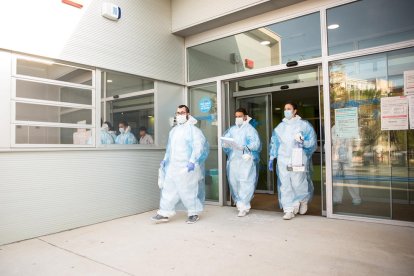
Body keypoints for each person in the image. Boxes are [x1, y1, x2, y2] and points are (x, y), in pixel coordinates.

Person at [151, 105, 209, 224]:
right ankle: (164, 212)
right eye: (178, 113)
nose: (179, 115)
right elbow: (169, 149)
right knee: (169, 188)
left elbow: (198, 147)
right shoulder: (174, 131)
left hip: (187, 167)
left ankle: (193, 213)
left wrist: (192, 161)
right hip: (173, 166)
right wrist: (165, 160)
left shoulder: (194, 130)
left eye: (182, 113)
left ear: (188, 114)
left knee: (188, 190)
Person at [269, 102, 317, 220]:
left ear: (295, 111)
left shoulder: (304, 125)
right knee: (285, 184)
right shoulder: (280, 127)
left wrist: (302, 142)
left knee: (298, 182)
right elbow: (274, 142)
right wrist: (272, 156)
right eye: (285, 109)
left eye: (289, 109)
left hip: (297, 157)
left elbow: (312, 143)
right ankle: (288, 209)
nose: (286, 111)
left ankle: (302, 200)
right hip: (283, 158)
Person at [222, 108, 261, 217]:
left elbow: (256, 144)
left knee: (245, 182)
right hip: (234, 160)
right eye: (236, 116)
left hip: (246, 160)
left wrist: (244, 147)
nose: (238, 118)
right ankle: (239, 202)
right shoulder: (232, 130)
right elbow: (227, 141)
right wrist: (225, 143)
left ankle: (244, 205)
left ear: (245, 117)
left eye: (240, 116)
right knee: (234, 182)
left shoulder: (250, 129)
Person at [331, 125, 361, 205]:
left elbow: (357, 142)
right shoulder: (334, 128)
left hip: (348, 158)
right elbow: (330, 142)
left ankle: (356, 198)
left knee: (351, 179)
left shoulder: (352, 127)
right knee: (337, 180)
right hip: (336, 158)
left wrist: (354, 150)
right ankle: (337, 199)